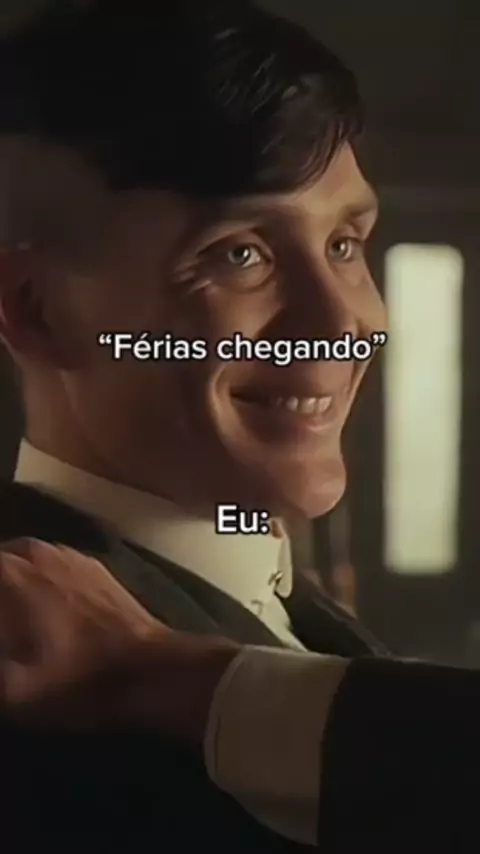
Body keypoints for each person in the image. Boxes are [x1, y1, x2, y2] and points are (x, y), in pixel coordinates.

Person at [0, 0, 417, 849]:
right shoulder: (36, 702)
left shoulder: (290, 618)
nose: (342, 324)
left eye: (345, 245)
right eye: (240, 254)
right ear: (36, 309)